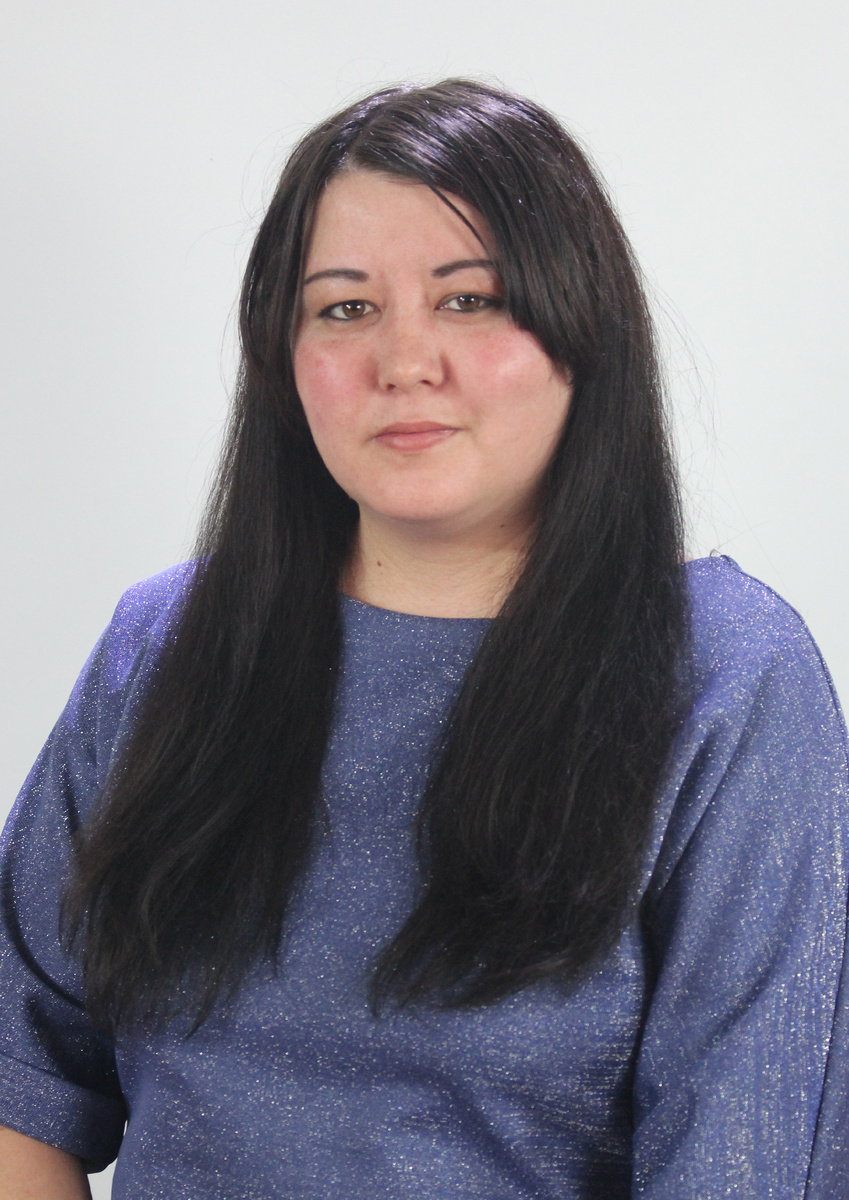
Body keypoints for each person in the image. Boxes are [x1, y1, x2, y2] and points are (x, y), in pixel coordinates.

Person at [1, 78, 847, 1199]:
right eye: (344, 308)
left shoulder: (729, 677)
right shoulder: (163, 648)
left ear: (582, 326)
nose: (404, 361)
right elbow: (18, 1080)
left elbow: (749, 1160)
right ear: (281, 354)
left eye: (470, 299)